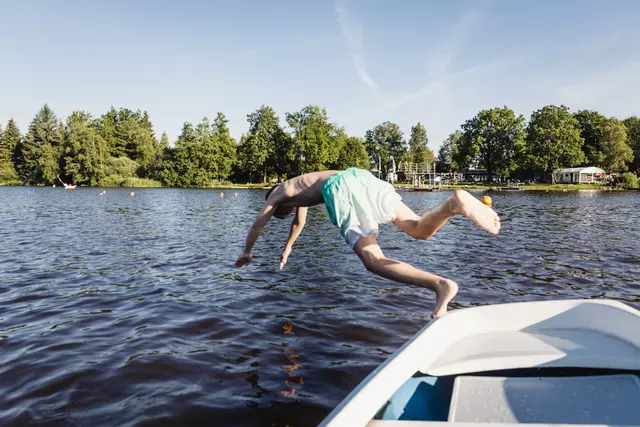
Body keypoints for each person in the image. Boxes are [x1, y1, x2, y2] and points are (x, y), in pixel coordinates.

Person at [235, 168, 501, 317]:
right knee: (419, 229)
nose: (280, 213)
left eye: (277, 210)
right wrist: (288, 249)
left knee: (373, 260)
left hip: (341, 188)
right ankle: (453, 205)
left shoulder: (277, 194)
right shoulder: (297, 189)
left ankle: (440, 284)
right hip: (362, 178)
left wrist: (247, 251)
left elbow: (258, 224)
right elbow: (299, 224)